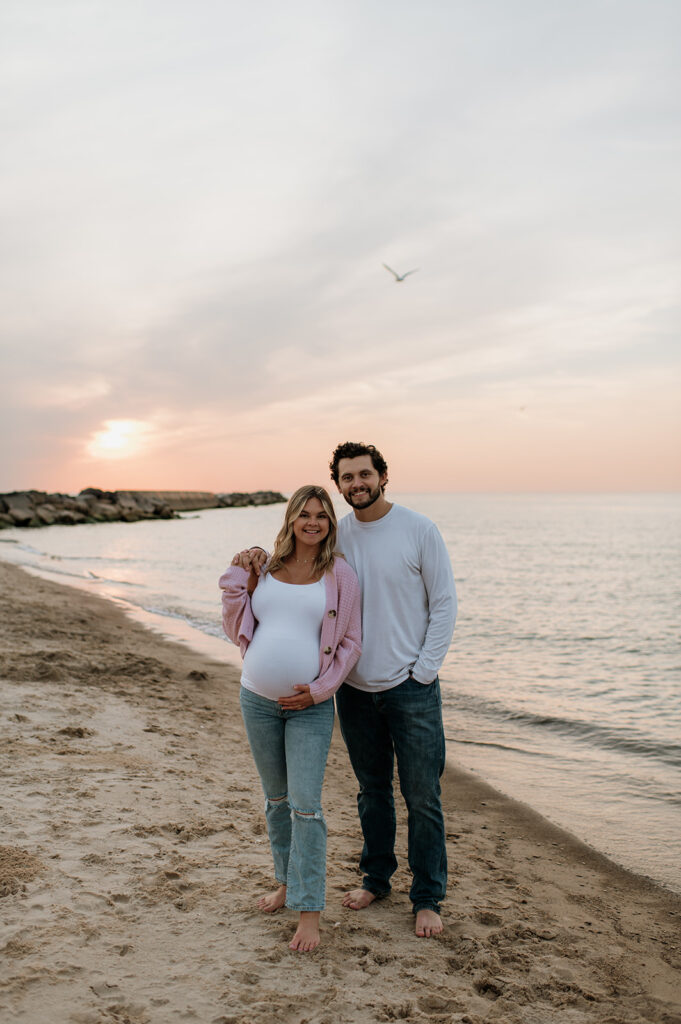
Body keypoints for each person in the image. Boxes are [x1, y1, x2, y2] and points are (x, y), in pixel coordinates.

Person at [237, 443, 457, 939]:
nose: (357, 483)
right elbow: (290, 576)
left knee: (422, 795)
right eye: (347, 477)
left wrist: (422, 671)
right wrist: (251, 560)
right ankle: (376, 879)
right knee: (372, 791)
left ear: (382, 476)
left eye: (365, 474)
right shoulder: (339, 537)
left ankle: (427, 897)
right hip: (353, 689)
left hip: (410, 686)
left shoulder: (419, 530)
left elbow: (444, 603)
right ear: (338, 485)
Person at [219, 485, 361, 953]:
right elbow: (234, 621)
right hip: (256, 699)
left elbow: (349, 645)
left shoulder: (340, 574)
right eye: (305, 514)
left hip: (311, 708)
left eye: (321, 515)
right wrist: (239, 570)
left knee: (307, 806)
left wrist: (319, 691)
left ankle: (309, 911)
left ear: (330, 523)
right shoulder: (267, 567)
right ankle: (284, 882)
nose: (313, 522)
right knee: (277, 800)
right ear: (291, 519)